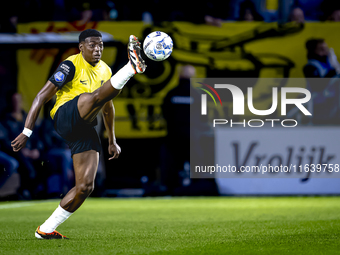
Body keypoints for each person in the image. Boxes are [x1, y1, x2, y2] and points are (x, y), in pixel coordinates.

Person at [11, 29, 146, 239]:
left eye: (100, 45)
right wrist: (26, 132)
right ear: (81, 47)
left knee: (85, 187)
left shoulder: (105, 70)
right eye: (92, 45)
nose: (97, 49)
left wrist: (112, 139)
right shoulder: (70, 64)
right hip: (64, 116)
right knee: (90, 97)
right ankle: (130, 67)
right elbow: (40, 96)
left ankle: (45, 229)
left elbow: (108, 107)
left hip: (84, 127)